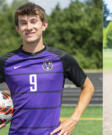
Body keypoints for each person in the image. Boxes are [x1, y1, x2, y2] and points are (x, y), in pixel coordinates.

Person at [0, 2, 94, 135]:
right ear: (17, 28)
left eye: (33, 21)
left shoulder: (61, 58)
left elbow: (88, 87)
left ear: (44, 25)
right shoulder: (6, 62)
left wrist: (74, 119)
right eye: (23, 23)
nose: (29, 27)